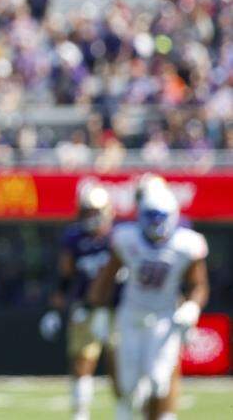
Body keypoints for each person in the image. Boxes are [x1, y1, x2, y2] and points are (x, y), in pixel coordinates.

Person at [88, 180, 209, 420]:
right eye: (150, 216)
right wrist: (99, 310)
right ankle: (127, 413)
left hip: (164, 314)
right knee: (128, 381)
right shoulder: (126, 238)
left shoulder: (187, 243)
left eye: (160, 216)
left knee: (158, 379)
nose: (155, 223)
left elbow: (198, 285)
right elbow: (106, 278)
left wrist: (192, 307)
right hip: (131, 313)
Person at [40, 184, 115, 420]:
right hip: (84, 309)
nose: (89, 217)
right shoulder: (74, 238)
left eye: (94, 211)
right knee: (82, 362)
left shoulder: (118, 238)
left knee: (121, 367)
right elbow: (65, 276)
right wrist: (54, 310)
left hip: (116, 310)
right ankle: (80, 414)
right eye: (86, 211)